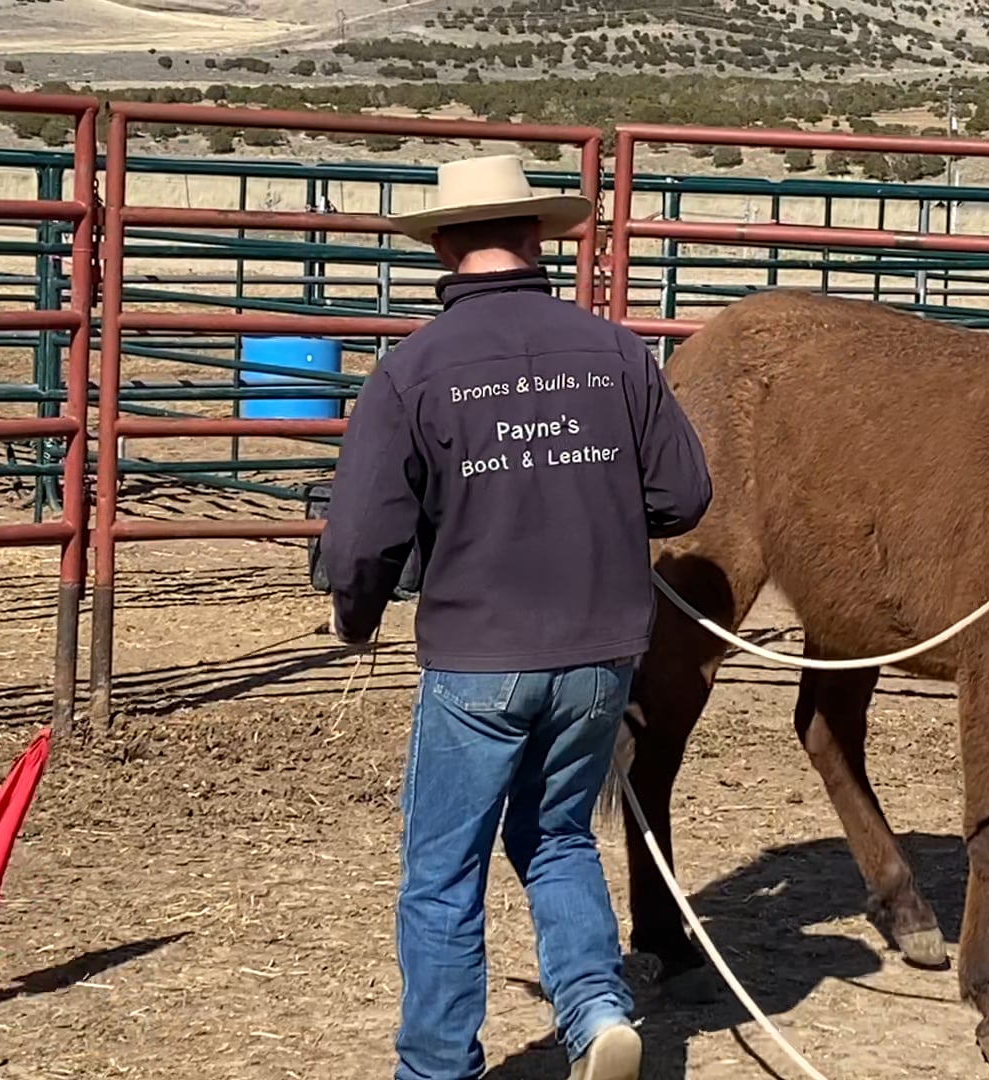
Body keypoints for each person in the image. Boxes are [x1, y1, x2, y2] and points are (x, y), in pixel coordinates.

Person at [318, 154, 714, 1080]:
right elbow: (684, 494)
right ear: (536, 238)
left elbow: (361, 537)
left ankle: (437, 1065)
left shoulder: (413, 370)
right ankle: (596, 1008)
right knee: (559, 834)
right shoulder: (618, 352)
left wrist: (356, 613)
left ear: (445, 248)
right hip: (603, 646)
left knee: (443, 871)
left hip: (479, 652)